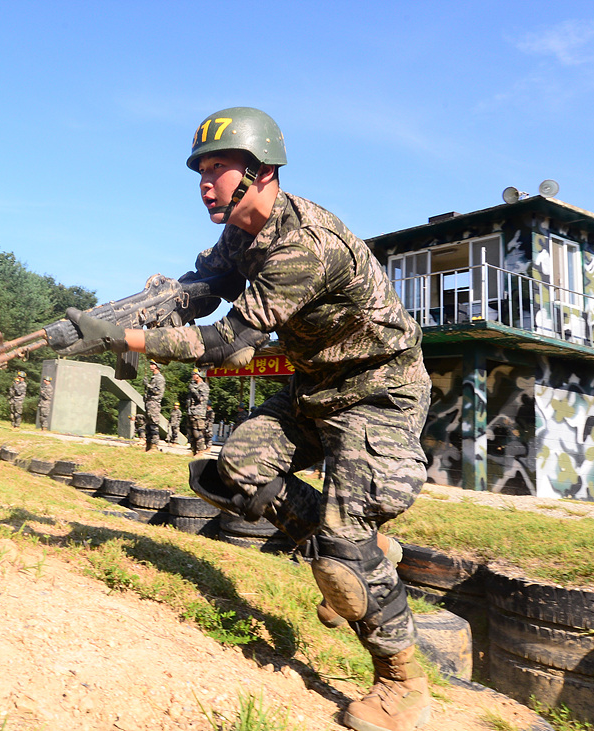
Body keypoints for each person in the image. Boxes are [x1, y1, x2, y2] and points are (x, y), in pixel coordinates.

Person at [59, 107, 432, 731]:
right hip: (313, 388)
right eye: (199, 172)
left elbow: (227, 339)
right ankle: (359, 544)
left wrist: (126, 339)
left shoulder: (305, 245)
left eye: (218, 170)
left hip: (377, 395)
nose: (205, 184)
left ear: (260, 171)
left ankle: (402, 683)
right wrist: (117, 314)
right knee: (230, 472)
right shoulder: (240, 234)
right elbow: (196, 290)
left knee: (341, 562)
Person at [185, 369, 211, 456]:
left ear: (198, 375)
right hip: (191, 412)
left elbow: (201, 399)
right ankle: (193, 450)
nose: (192, 376)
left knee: (198, 432)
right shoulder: (192, 385)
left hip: (198, 413)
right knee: (191, 432)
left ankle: (200, 451)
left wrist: (194, 391)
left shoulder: (204, 387)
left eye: (194, 374)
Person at [143, 360, 165, 451]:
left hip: (154, 404)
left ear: (157, 366)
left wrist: (148, 385)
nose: (150, 366)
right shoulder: (154, 377)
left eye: (152, 364)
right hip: (150, 403)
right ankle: (148, 446)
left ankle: (154, 446)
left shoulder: (159, 378)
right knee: (148, 425)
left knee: (153, 425)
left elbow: (157, 391)